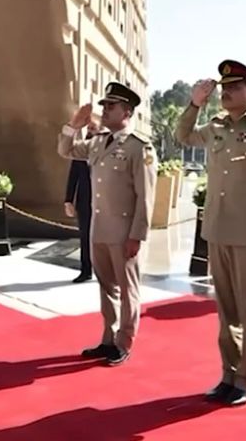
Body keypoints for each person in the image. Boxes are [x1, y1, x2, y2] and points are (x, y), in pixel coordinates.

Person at [174, 60, 246, 406]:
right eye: (224, 88)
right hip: (218, 229)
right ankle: (229, 373)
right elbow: (182, 136)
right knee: (226, 309)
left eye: (235, 88)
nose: (226, 93)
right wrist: (194, 103)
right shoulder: (216, 125)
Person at [58, 82, 158, 366]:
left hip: (124, 231)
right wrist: (73, 125)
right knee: (106, 287)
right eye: (104, 105)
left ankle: (124, 342)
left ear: (127, 112)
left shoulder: (139, 147)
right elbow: (66, 150)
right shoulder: (98, 141)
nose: (104, 110)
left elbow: (146, 197)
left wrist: (137, 235)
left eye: (111, 106)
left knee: (127, 290)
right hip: (99, 228)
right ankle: (108, 338)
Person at [64, 132, 93, 283]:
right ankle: (86, 270)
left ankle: (107, 271)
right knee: (85, 236)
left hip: (104, 202)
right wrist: (68, 200)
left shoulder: (106, 153)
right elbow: (73, 176)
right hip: (84, 201)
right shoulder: (80, 154)